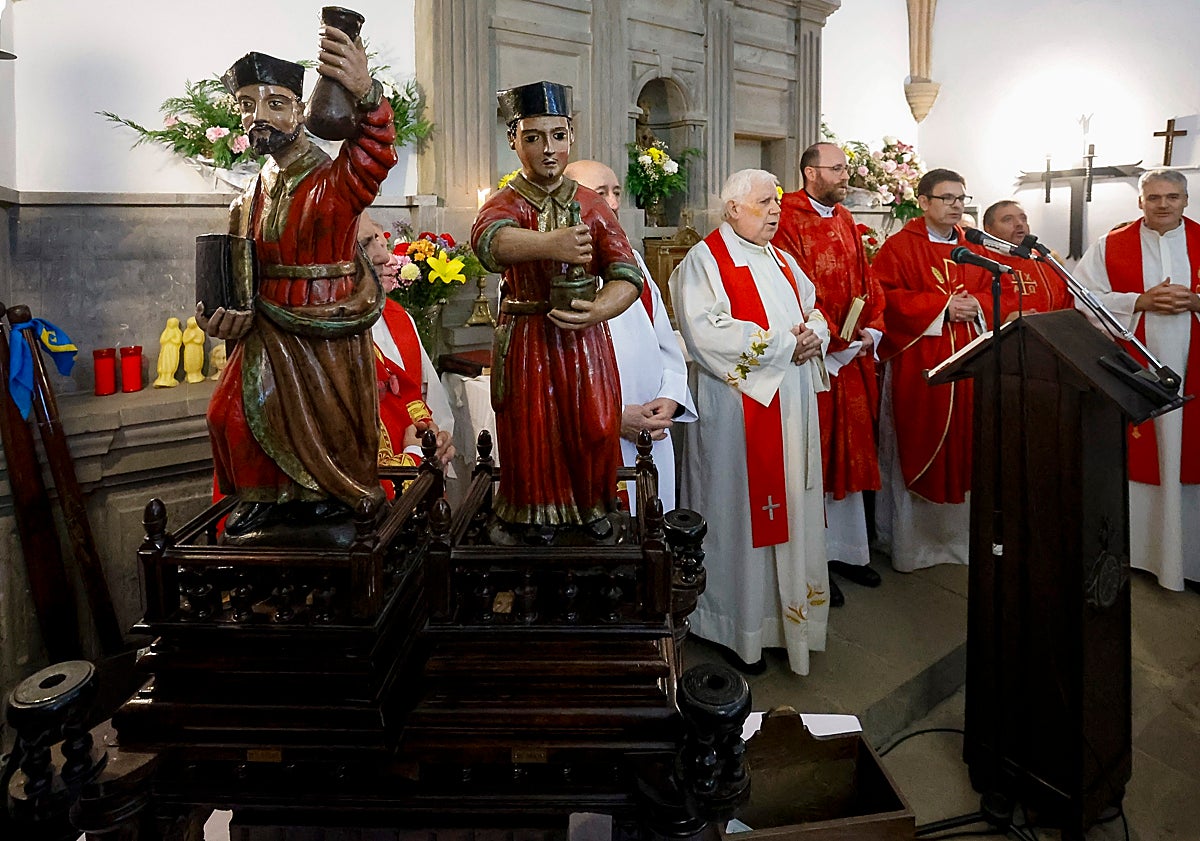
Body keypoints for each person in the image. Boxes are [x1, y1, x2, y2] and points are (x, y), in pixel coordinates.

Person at [198, 28, 396, 539]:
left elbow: (372, 153)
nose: (258, 115)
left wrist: (367, 93)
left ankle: (322, 501)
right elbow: (235, 268)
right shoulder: (255, 190)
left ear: (301, 111)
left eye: (277, 103)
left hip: (321, 325)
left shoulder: (332, 178)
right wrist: (219, 311)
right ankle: (270, 499)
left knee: (324, 429)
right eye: (246, 105)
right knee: (229, 416)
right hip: (265, 324)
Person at [670, 168, 831, 676]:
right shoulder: (705, 261)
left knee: (791, 508)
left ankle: (786, 623)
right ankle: (733, 626)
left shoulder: (781, 257)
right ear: (733, 208)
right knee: (738, 514)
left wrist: (816, 336)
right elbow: (705, 334)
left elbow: (814, 308)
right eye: (765, 202)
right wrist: (788, 344)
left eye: (778, 201)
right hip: (736, 412)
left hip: (790, 402)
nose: (776, 210)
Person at [471, 81, 643, 539]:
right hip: (528, 337)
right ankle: (531, 516)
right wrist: (552, 243)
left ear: (571, 137)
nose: (548, 149)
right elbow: (489, 243)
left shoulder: (590, 205)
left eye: (558, 136)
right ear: (514, 141)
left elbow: (627, 275)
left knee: (594, 423)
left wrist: (597, 310)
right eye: (533, 137)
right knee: (532, 431)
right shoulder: (504, 204)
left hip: (583, 339)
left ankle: (593, 506)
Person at [1074, 168, 1200, 592]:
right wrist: (1140, 301)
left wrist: (1196, 301)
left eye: (1172, 197)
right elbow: (1083, 298)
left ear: (1186, 199)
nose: (1163, 204)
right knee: (1143, 455)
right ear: (1140, 201)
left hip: (1193, 368)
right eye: (1154, 197)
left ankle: (1190, 559)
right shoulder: (1111, 244)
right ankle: (1144, 556)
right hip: (1135, 369)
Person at [773, 142, 886, 607]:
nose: (845, 176)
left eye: (846, 168)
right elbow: (788, 287)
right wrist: (829, 337)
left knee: (849, 452)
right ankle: (817, 558)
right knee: (816, 459)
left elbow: (866, 279)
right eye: (837, 169)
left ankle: (849, 551)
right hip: (816, 356)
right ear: (809, 172)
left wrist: (872, 330)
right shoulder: (786, 219)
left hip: (851, 357)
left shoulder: (843, 219)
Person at [872, 168, 997, 571]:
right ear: (924, 202)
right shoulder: (899, 247)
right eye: (947, 198)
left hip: (970, 362)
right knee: (915, 440)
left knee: (966, 447)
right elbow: (883, 299)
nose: (957, 205)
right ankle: (911, 546)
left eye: (961, 198)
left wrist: (977, 304)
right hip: (919, 361)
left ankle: (958, 543)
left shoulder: (974, 246)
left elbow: (999, 290)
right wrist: (941, 307)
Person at [562, 158, 697, 513]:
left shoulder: (631, 259)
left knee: (653, 531)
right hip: (587, 437)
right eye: (600, 193)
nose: (615, 203)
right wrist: (613, 417)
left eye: (617, 192)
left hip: (650, 433)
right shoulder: (544, 265)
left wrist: (670, 396)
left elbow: (664, 342)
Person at [357, 213, 454, 471]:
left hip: (414, 486)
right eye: (367, 243)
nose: (385, 257)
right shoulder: (322, 340)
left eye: (381, 242)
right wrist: (412, 454)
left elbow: (432, 405)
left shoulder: (399, 318)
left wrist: (440, 439)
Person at [982, 200, 1072, 314]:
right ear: (988, 229)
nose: (1019, 223)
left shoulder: (1044, 261)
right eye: (1008, 219)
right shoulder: (978, 260)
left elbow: (1068, 305)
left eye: (1023, 218)